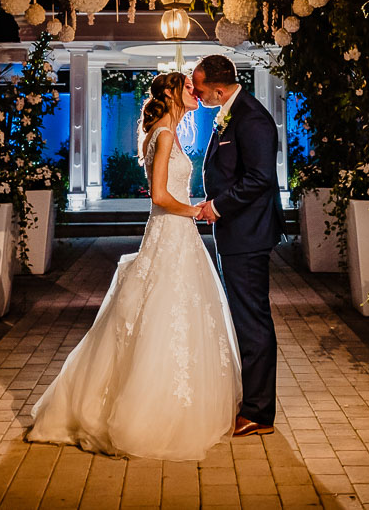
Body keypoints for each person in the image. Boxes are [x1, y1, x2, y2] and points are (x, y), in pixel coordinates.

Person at [26, 71, 242, 460]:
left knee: (169, 316)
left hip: (175, 237)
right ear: (173, 95)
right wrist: (194, 210)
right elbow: (159, 196)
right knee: (161, 316)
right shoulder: (162, 135)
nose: (196, 93)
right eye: (189, 89)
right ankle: (150, 411)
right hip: (170, 231)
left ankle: (175, 400)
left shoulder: (168, 132)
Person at [192, 53, 285, 438]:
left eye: (199, 89)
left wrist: (217, 205)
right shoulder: (232, 112)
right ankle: (252, 401)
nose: (196, 96)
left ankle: (260, 413)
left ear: (217, 88)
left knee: (252, 320)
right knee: (244, 318)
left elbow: (261, 178)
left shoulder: (251, 117)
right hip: (235, 233)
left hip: (248, 233)